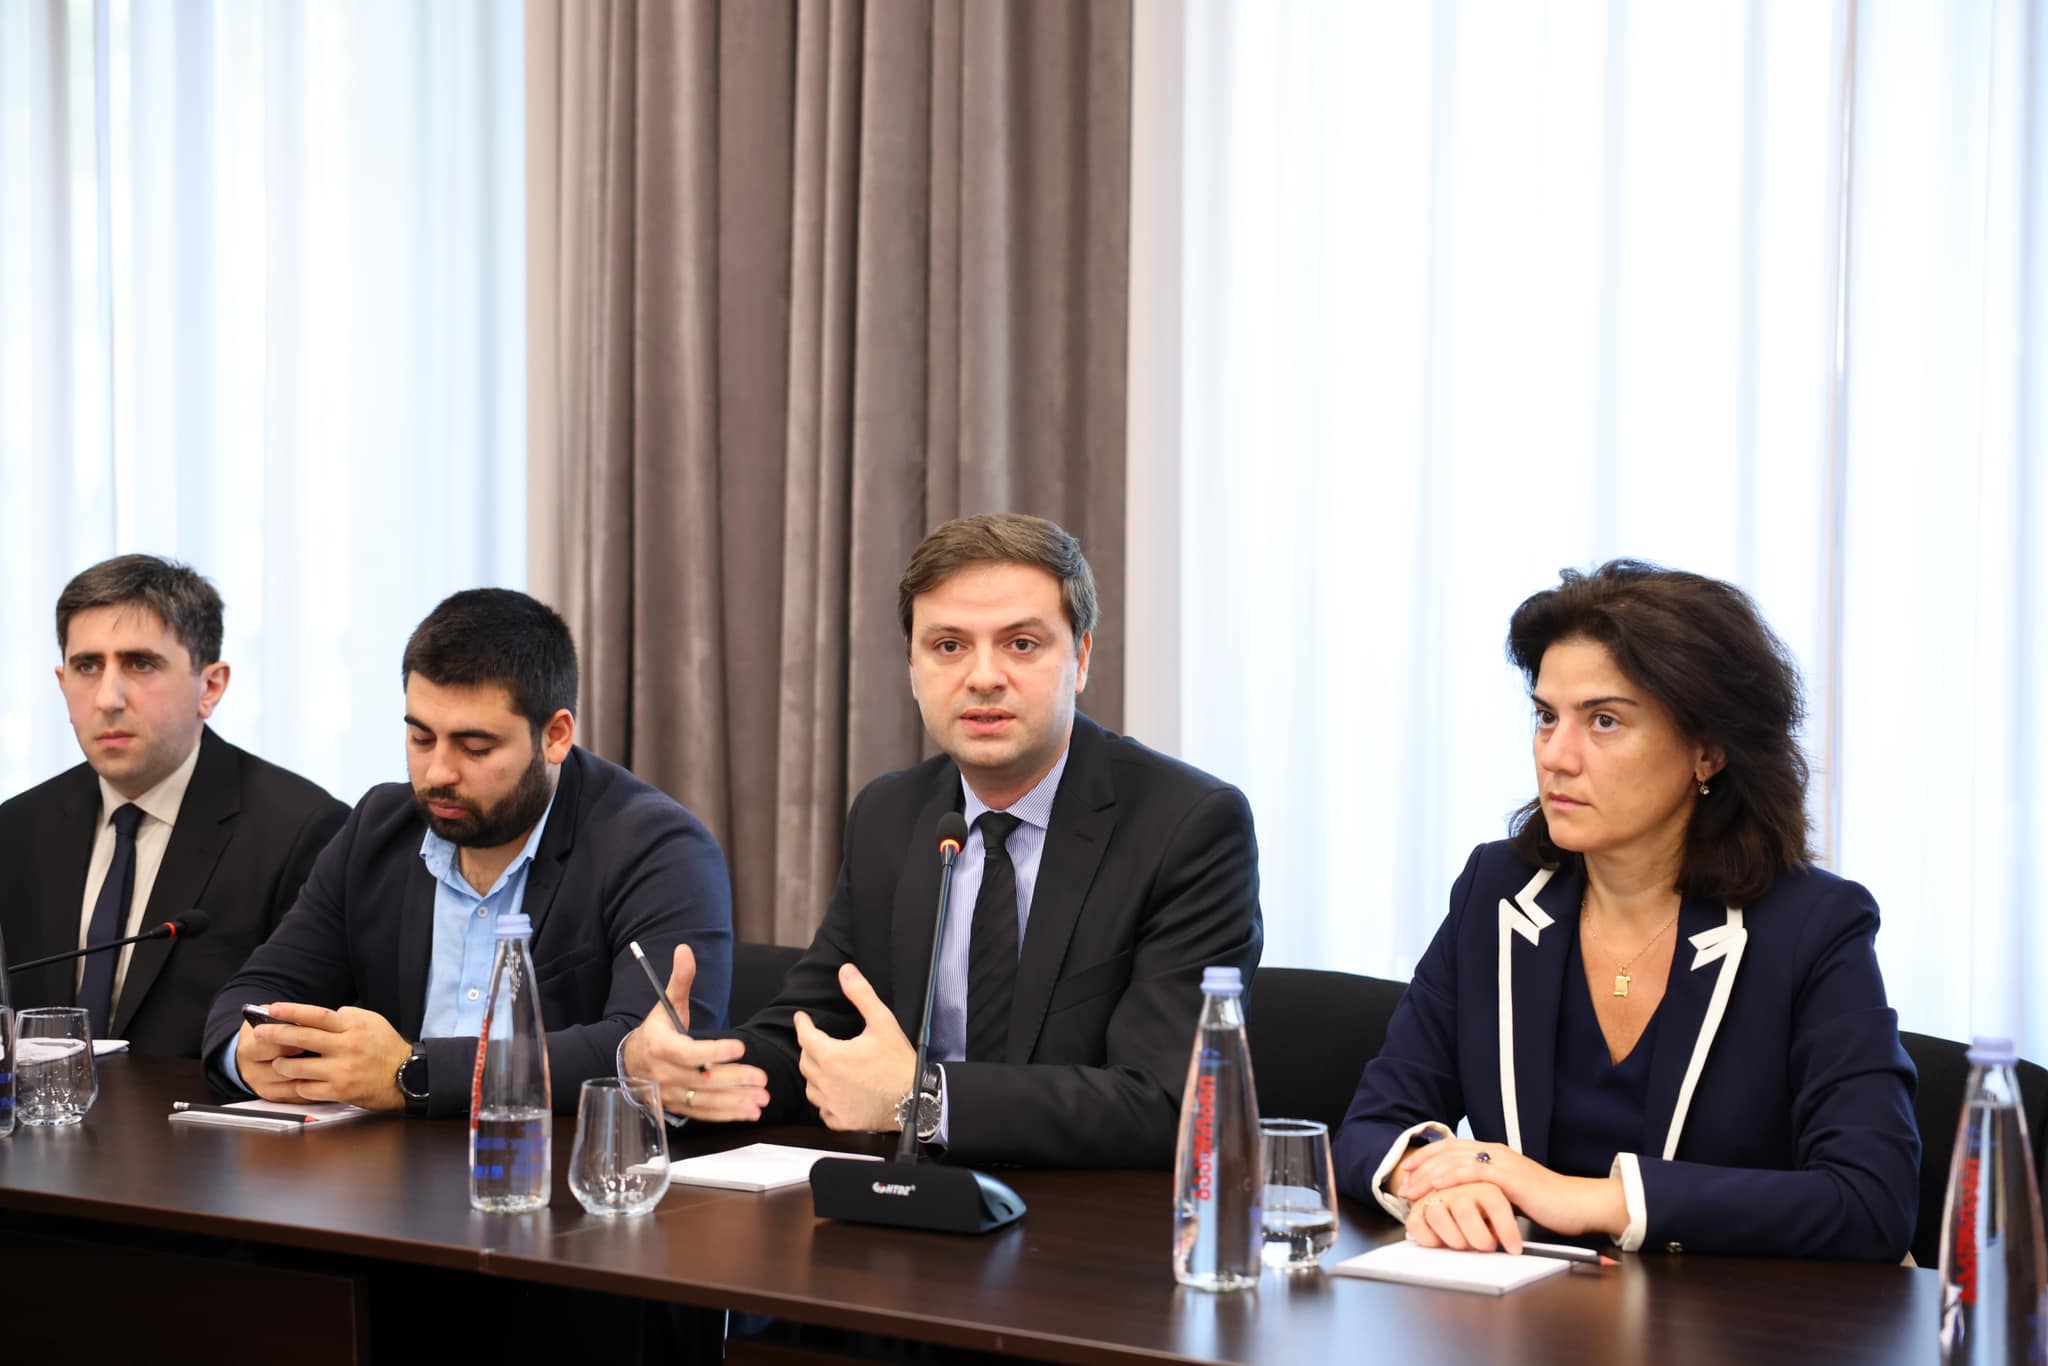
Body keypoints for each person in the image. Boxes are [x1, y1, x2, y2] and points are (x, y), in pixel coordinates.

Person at [622, 513, 1263, 1168]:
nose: (983, 677)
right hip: (907, 1206)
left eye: (1021, 644)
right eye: (949, 646)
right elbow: (812, 1037)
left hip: (1082, 1215)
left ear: (1081, 659)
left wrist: (923, 1099)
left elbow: (1169, 1102)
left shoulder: (1187, 826)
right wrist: (687, 1072)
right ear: (912, 668)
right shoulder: (892, 815)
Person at [1334, 560, 1918, 1260]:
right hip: (1525, 1307)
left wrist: (1579, 1197)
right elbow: (1373, 1124)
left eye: (1604, 721)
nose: (1557, 756)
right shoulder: (1498, 891)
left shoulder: (1812, 927)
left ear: (1708, 750)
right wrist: (1434, 1182)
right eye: (1546, 717)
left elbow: (1871, 1199)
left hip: (1732, 1316)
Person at [201, 588, 733, 1117]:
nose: (438, 773)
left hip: (558, 1162)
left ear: (555, 736)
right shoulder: (380, 828)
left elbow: (649, 1054)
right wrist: (248, 1053)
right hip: (387, 1163)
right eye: (421, 739)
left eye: (475, 748)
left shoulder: (658, 849)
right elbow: (257, 991)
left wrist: (414, 1071)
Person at [0, 556, 347, 1056]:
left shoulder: (301, 831)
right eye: (87, 666)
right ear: (62, 682)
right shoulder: (18, 828)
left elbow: (300, 1039)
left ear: (211, 686)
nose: (107, 698)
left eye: (140, 664)